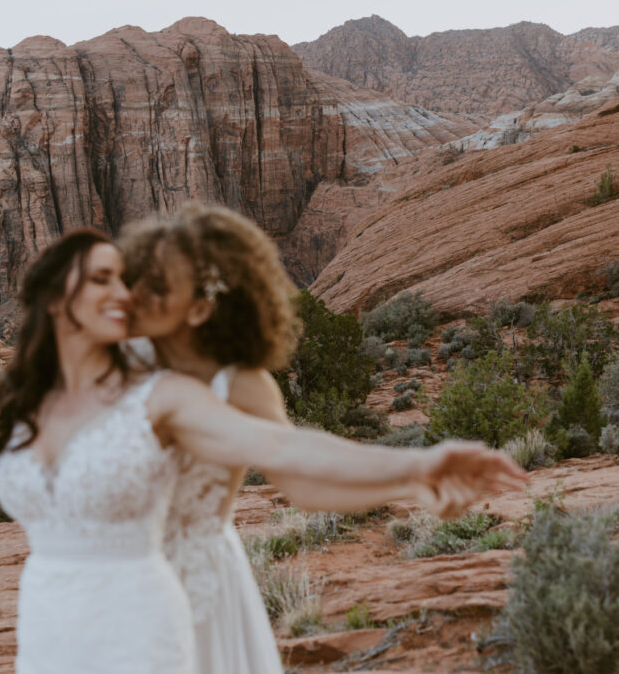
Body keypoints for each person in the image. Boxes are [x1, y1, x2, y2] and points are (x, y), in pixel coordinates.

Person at [0, 227, 526, 674]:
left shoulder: (174, 394)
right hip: (49, 613)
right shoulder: (28, 394)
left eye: (139, 284)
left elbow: (281, 448)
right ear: (54, 295)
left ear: (204, 308)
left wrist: (416, 466)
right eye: (110, 280)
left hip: (150, 596)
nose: (128, 296)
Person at [119, 203, 428, 674]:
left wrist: (415, 479)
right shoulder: (116, 364)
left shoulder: (242, 384)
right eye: (135, 277)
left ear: (201, 306)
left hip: (195, 585)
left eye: (158, 285)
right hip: (108, 581)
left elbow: (299, 475)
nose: (135, 294)